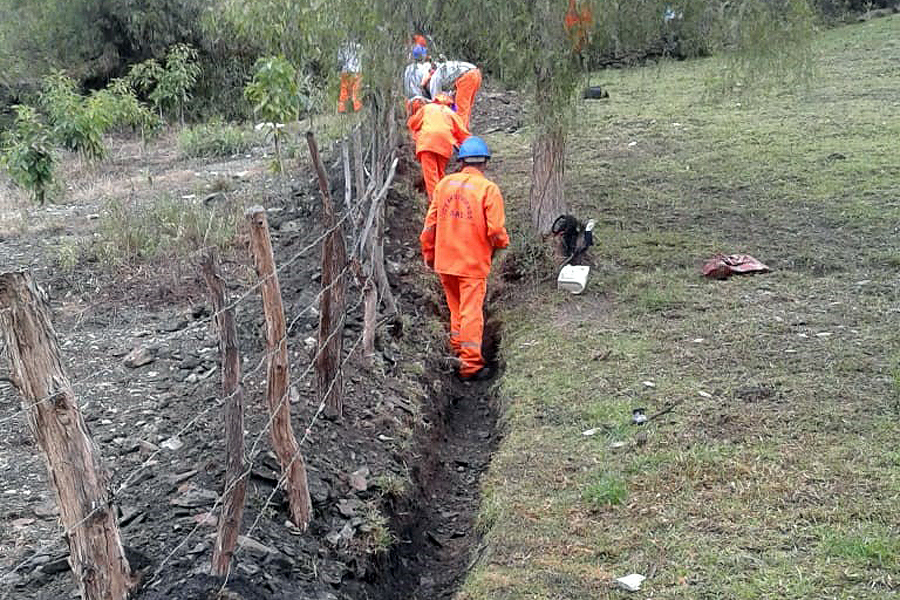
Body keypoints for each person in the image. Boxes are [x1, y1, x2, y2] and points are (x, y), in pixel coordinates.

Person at [420, 136, 509, 381]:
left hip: (445, 261)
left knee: (455, 308)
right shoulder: (489, 190)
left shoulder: (444, 185)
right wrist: (502, 244)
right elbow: (497, 230)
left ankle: (457, 349)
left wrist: (429, 253)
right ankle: (469, 365)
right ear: (485, 163)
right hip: (471, 263)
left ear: (460, 162)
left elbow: (430, 226)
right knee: (471, 312)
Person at [406, 94, 469, 200]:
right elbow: (464, 135)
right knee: (440, 175)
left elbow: (412, 124)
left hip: (426, 144)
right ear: (449, 104)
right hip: (444, 145)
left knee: (431, 177)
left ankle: (435, 206)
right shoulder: (451, 114)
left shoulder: (426, 108)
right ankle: (443, 202)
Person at [424, 60, 482, 128]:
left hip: (466, 77)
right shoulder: (444, 70)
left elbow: (437, 102)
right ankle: (465, 130)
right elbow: (451, 95)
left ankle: (460, 134)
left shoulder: (434, 79)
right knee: (466, 108)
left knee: (461, 109)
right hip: (476, 74)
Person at [403, 44, 432, 116]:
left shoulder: (407, 69)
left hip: (409, 104)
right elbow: (428, 87)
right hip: (420, 102)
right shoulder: (424, 69)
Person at [337, 41, 362, 113]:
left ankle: (342, 108)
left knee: (344, 89)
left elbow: (340, 61)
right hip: (356, 71)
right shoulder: (359, 46)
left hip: (346, 71)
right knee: (356, 89)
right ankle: (357, 107)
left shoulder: (342, 46)